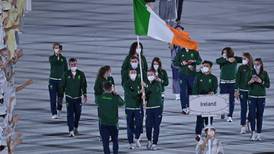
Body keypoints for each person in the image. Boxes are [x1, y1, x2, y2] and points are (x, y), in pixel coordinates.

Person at [59, 58, 87, 137]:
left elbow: (84, 85)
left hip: (78, 98)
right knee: (70, 114)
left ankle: (75, 127)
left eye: (75, 64)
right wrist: (60, 97)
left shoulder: (81, 74)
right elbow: (62, 86)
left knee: (78, 113)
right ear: (69, 65)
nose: (73, 66)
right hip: (69, 98)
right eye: (72, 65)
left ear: (76, 64)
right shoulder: (66, 74)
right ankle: (70, 130)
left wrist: (85, 95)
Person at [174, 39, 202, 114]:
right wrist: (182, 63)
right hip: (183, 75)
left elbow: (200, 61)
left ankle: (191, 106)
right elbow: (175, 63)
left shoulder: (194, 52)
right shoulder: (180, 52)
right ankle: (184, 107)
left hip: (192, 75)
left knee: (192, 91)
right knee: (183, 91)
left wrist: (193, 61)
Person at [96, 82, 125, 154]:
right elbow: (123, 103)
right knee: (115, 141)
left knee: (105, 143)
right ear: (111, 88)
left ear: (104, 88)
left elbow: (97, 102)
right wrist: (116, 94)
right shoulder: (115, 98)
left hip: (103, 124)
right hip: (113, 124)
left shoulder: (99, 98)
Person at [216, 47, 242, 122]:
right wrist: (226, 59)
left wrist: (234, 58)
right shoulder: (222, 60)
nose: (224, 54)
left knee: (231, 100)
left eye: (225, 52)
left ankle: (230, 115)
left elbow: (243, 59)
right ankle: (222, 111)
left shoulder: (235, 59)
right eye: (223, 52)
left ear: (229, 53)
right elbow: (217, 61)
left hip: (232, 83)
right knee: (222, 99)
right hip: (223, 83)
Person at [193, 61, 218, 137]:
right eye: (203, 66)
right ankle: (198, 134)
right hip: (200, 100)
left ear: (210, 68)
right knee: (199, 118)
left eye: (206, 66)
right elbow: (195, 88)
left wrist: (212, 92)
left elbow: (215, 89)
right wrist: (195, 98)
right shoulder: (199, 77)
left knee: (209, 118)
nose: (204, 67)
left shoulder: (213, 78)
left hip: (209, 101)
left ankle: (208, 133)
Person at [248, 58, 270, 141]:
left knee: (260, 116)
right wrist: (250, 81)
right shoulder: (250, 72)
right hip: (252, 97)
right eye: (254, 64)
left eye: (257, 64)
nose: (256, 66)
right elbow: (246, 85)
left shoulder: (264, 73)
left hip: (261, 97)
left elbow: (268, 85)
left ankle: (259, 134)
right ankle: (253, 133)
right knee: (252, 115)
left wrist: (261, 81)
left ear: (261, 64)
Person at [123, 69, 142, 149]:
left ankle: (137, 138)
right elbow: (131, 94)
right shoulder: (126, 83)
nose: (133, 74)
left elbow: (142, 94)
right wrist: (139, 92)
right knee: (129, 125)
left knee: (139, 124)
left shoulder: (139, 82)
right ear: (129, 74)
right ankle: (130, 142)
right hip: (129, 107)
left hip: (138, 107)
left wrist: (144, 95)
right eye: (131, 73)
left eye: (134, 72)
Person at [144, 69, 163, 150]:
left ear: (155, 75)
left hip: (157, 108)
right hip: (148, 108)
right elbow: (144, 94)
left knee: (156, 127)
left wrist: (146, 86)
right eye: (148, 75)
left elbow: (155, 90)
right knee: (148, 126)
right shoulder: (146, 83)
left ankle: (155, 143)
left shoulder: (158, 83)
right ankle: (149, 140)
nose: (149, 76)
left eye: (151, 74)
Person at [235, 52, 253, 134]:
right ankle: (243, 125)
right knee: (243, 109)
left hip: (251, 92)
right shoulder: (241, 67)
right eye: (242, 59)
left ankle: (248, 121)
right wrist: (236, 90)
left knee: (252, 109)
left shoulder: (253, 68)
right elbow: (237, 79)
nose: (243, 60)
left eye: (244, 59)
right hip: (242, 91)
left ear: (249, 59)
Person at [48, 42, 68, 119]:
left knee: (60, 97)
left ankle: (59, 109)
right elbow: (54, 63)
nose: (57, 49)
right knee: (52, 98)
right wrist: (57, 56)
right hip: (52, 80)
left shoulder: (63, 59)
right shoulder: (51, 58)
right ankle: (53, 113)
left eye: (58, 48)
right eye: (56, 48)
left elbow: (66, 70)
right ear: (53, 49)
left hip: (61, 81)